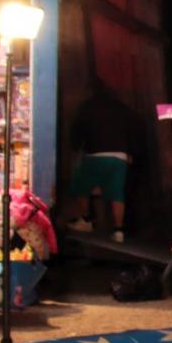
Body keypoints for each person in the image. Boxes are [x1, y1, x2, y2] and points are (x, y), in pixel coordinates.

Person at [65, 82, 145, 243]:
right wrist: (131, 153)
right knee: (117, 194)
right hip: (120, 157)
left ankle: (86, 220)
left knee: (79, 185)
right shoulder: (123, 109)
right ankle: (118, 231)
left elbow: (77, 131)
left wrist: (75, 147)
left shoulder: (87, 107)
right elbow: (135, 131)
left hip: (96, 154)